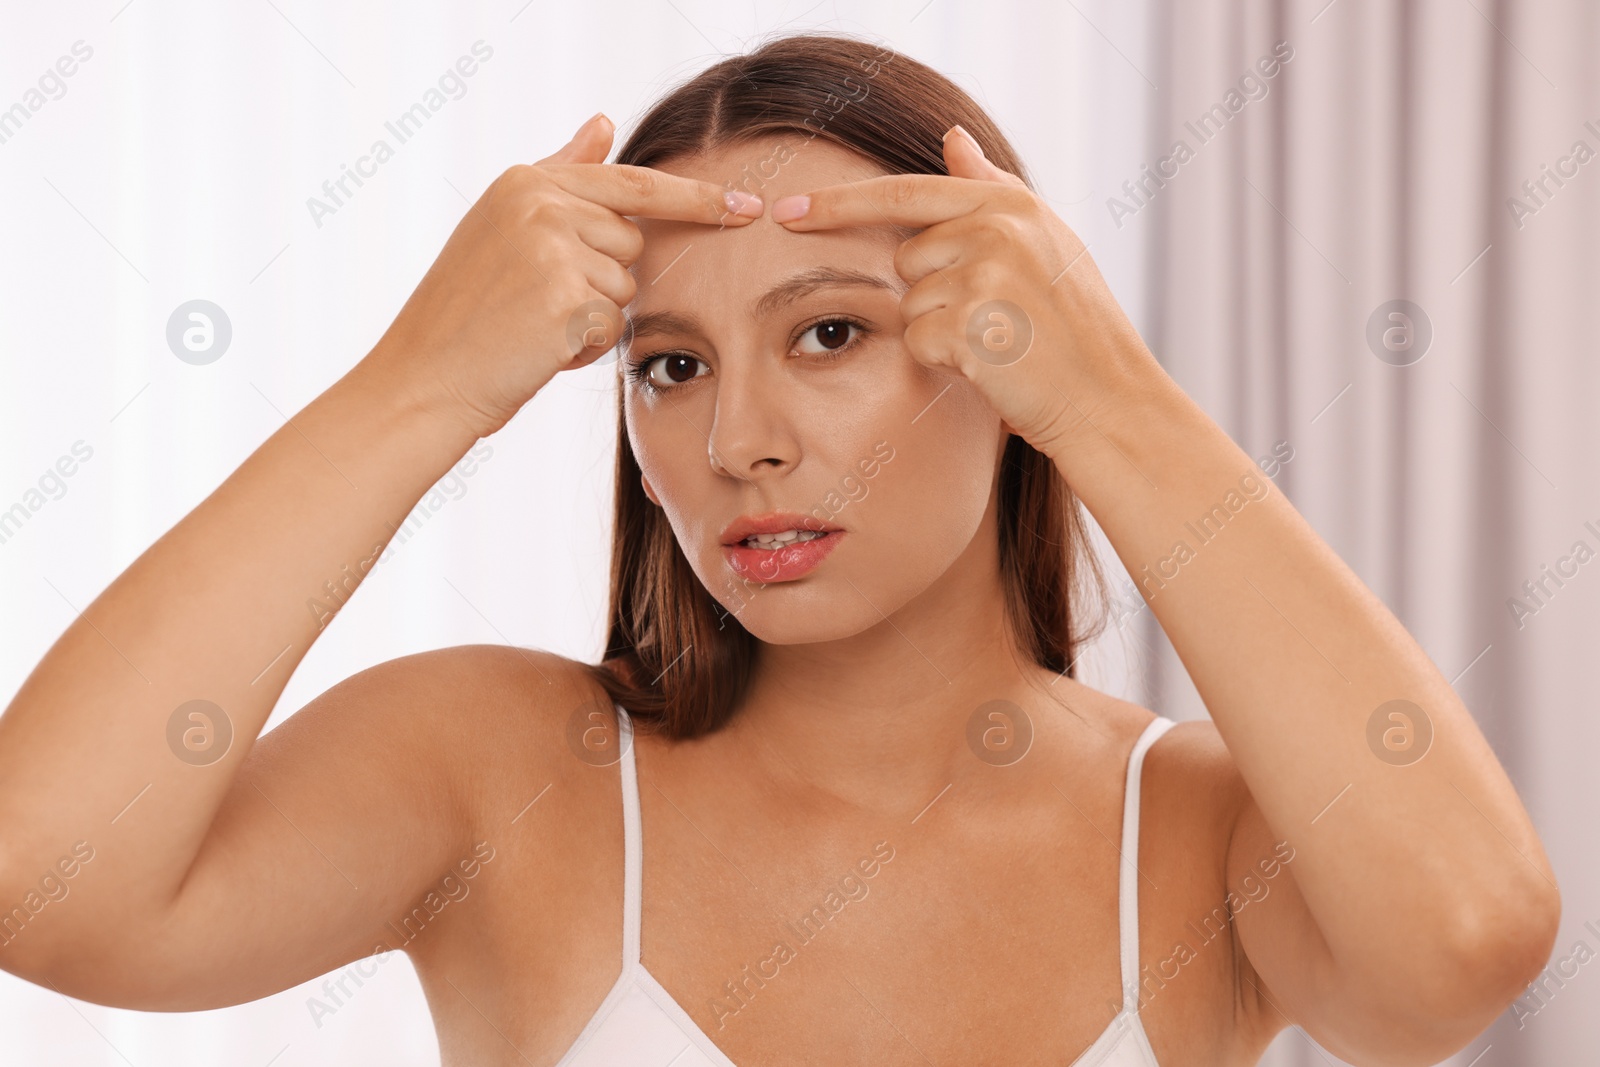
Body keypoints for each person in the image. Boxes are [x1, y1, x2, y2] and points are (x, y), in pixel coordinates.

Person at [0, 31, 1559, 1067]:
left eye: (828, 332)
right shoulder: (500, 769)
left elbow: (1469, 942)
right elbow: (41, 881)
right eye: (669, 364)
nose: (738, 439)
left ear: (1007, 354)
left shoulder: (1209, 828)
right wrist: (416, 384)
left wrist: (1121, 403)